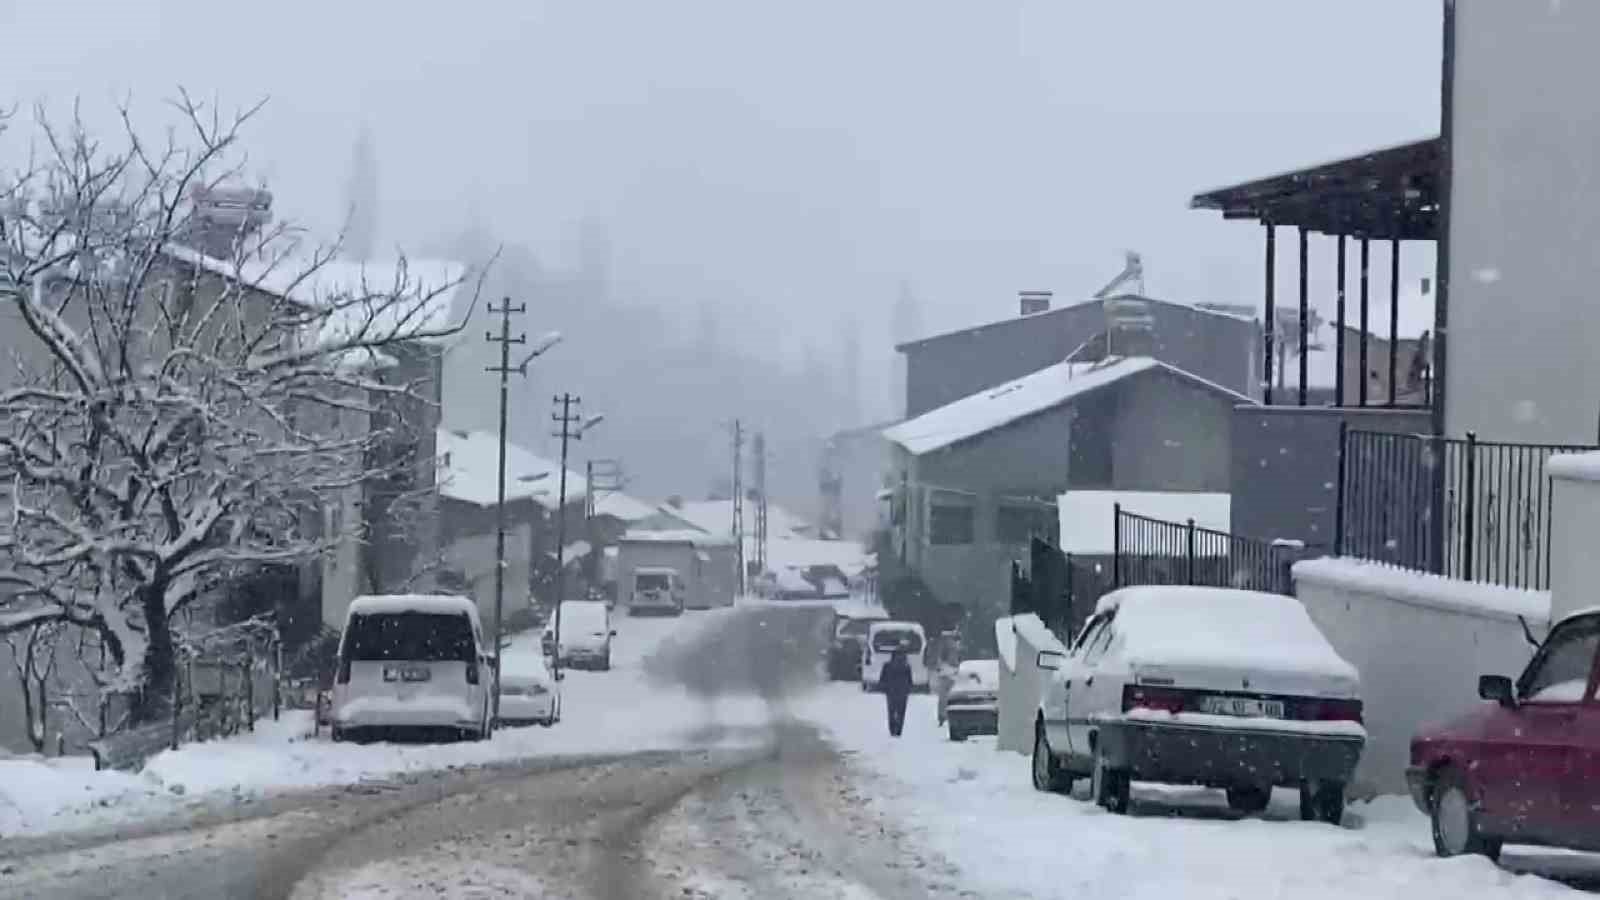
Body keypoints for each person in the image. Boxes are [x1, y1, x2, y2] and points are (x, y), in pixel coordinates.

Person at [881, 647, 914, 737]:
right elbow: (910, 680)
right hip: (903, 692)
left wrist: (884, 687)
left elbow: (883, 678)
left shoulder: (887, 665)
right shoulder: (906, 666)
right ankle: (899, 730)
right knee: (901, 712)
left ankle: (892, 729)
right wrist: (909, 689)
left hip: (891, 691)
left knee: (891, 711)